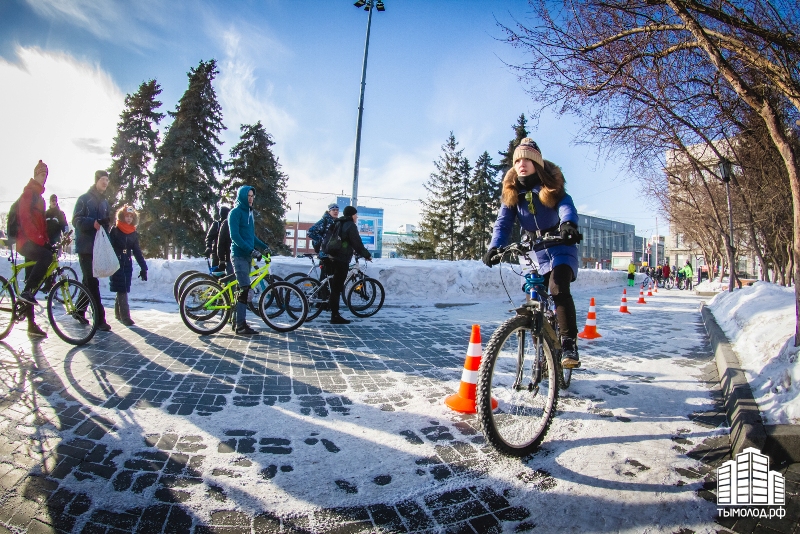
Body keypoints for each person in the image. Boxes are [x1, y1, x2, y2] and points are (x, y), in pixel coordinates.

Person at [483, 138, 582, 369]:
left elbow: (566, 206)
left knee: (557, 287)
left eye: (527, 159)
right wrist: (495, 246)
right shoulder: (512, 193)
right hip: (533, 250)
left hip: (559, 245)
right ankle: (542, 352)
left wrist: (568, 224)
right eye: (518, 160)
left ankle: (569, 343)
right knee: (533, 297)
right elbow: (503, 223)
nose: (522, 164)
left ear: (537, 163)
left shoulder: (552, 187)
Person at [16, 160, 52, 336]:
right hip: (25, 242)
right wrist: (38, 240)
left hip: (35, 242)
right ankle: (27, 293)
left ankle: (31, 324)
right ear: (35, 174)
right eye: (41, 174)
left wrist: (46, 241)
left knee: (31, 284)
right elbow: (25, 219)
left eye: (46, 175)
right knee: (45, 258)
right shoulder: (29, 193)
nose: (44, 177)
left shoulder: (41, 198)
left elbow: (42, 226)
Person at [73, 170, 112, 331]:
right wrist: (92, 223)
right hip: (85, 247)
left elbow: (106, 225)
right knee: (92, 282)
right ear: (96, 180)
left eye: (107, 180)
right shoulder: (84, 199)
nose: (105, 182)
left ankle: (79, 310)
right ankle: (100, 319)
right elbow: (76, 220)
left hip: (98, 247)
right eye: (102, 179)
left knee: (88, 281)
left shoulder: (105, 203)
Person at [228, 186, 268, 335]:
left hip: (247, 256)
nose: (251, 199)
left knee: (242, 289)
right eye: (248, 196)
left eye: (252, 196)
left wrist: (264, 246)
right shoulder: (235, 212)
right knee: (245, 290)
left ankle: (236, 321)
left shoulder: (250, 214)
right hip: (239, 255)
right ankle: (240, 325)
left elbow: (251, 236)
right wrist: (250, 250)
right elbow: (235, 236)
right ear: (242, 197)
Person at [327, 205, 372, 325]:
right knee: (337, 288)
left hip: (332, 256)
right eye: (356, 214)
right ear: (352, 215)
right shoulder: (350, 225)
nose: (356, 217)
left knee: (333, 287)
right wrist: (366, 255)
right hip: (341, 259)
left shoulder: (338, 222)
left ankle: (331, 309)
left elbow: (344, 241)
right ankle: (334, 316)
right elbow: (357, 243)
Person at [109, 206, 147, 326]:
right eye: (127, 216)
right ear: (122, 216)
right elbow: (109, 247)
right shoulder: (115, 230)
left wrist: (144, 267)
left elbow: (137, 251)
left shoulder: (133, 232)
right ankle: (125, 317)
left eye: (131, 216)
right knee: (122, 289)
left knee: (123, 287)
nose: (129, 218)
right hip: (117, 262)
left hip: (127, 262)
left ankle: (118, 313)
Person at [307, 203, 340, 305]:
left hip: (333, 254)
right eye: (333, 210)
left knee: (329, 279)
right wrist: (322, 240)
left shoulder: (336, 222)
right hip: (325, 254)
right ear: (329, 211)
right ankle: (321, 301)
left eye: (337, 210)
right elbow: (310, 232)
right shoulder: (325, 221)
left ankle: (325, 301)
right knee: (326, 278)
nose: (335, 211)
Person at [206, 206, 230, 271]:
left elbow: (209, 238)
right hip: (217, 253)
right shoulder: (217, 224)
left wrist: (209, 246)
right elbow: (209, 238)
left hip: (225, 253)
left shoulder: (229, 224)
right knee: (217, 273)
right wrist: (209, 247)